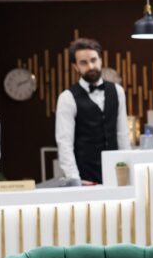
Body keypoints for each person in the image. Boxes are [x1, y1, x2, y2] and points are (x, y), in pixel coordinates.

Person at [55, 38, 130, 184]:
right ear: (75, 67)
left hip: (115, 175)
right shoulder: (67, 98)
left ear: (101, 60)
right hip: (85, 178)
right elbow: (64, 143)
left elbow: (123, 135)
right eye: (83, 63)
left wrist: (128, 171)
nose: (91, 66)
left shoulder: (118, 91)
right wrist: (74, 179)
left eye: (94, 60)